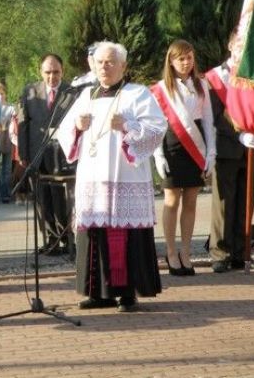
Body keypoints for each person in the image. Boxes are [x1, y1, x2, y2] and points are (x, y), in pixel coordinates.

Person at [58, 41, 167, 311]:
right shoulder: (86, 96)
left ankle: (127, 293)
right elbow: (63, 131)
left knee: (125, 235)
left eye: (109, 62)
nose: (103, 67)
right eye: (99, 62)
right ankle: (97, 292)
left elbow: (157, 128)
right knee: (95, 235)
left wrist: (128, 126)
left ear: (123, 66)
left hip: (124, 176)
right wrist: (76, 127)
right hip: (93, 179)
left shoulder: (137, 94)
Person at [150, 40, 215, 276]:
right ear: (171, 60)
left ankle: (186, 252)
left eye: (189, 58)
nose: (186, 63)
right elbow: (156, 124)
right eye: (181, 58)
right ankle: (170, 251)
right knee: (171, 200)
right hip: (171, 145)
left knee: (191, 200)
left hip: (195, 146)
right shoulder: (160, 88)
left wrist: (211, 152)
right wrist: (158, 155)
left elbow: (208, 120)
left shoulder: (201, 84)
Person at [205, 31, 254, 273]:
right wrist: (238, 133)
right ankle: (220, 253)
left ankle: (241, 251)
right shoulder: (215, 78)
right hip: (227, 147)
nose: (241, 48)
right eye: (238, 43)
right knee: (223, 203)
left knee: (245, 203)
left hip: (252, 147)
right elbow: (215, 116)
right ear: (230, 45)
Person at [18, 54, 75, 255]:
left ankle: (68, 239)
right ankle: (50, 241)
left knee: (64, 200)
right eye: (48, 72)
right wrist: (23, 154)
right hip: (37, 155)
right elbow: (23, 124)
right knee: (43, 200)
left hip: (63, 156)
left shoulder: (73, 93)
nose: (52, 77)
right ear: (41, 72)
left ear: (63, 71)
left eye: (56, 72)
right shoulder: (30, 92)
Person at [0, 83, 16, 204]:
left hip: (7, 139)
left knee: (6, 169)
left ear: (5, 94)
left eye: (1, 93)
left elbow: (14, 122)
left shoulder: (11, 108)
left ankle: (6, 194)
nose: (0, 96)